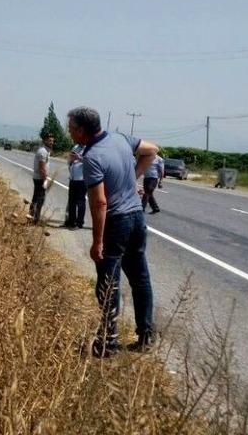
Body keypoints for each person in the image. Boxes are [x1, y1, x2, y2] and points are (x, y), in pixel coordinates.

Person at [66, 106, 158, 357]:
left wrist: (97, 242)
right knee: (140, 278)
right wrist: (133, 177)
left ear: (82, 130)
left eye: (71, 128)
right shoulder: (120, 138)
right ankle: (146, 335)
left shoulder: (92, 157)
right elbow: (152, 150)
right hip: (137, 219)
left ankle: (109, 341)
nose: (69, 132)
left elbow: (99, 203)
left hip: (116, 222)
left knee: (108, 283)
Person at [29, 134, 54, 223]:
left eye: (52, 141)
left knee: (36, 197)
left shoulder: (46, 151)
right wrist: (45, 180)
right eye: (49, 140)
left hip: (39, 177)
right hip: (40, 178)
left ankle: (33, 217)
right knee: (39, 199)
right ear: (44, 141)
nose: (51, 142)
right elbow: (42, 168)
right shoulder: (43, 152)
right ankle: (35, 218)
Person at [64, 144, 86, 229]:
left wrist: (79, 158)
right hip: (72, 178)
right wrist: (70, 162)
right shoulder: (75, 147)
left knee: (80, 202)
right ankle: (71, 221)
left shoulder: (88, 148)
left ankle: (79, 223)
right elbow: (70, 159)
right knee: (71, 201)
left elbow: (90, 161)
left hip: (82, 179)